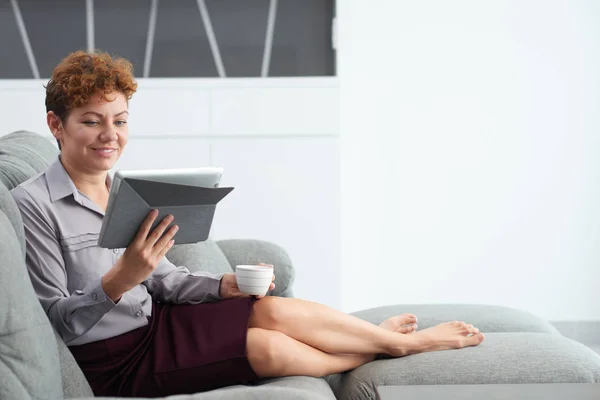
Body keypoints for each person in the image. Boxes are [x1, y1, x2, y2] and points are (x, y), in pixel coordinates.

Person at [11, 51, 485, 398]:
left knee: (271, 310)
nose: (110, 135)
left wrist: (225, 285)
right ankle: (392, 347)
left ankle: (381, 340)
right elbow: (58, 323)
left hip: (155, 323)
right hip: (111, 360)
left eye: (120, 120)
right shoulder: (31, 205)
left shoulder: (122, 190)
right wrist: (120, 281)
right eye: (92, 122)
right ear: (57, 125)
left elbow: (166, 281)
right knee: (269, 349)